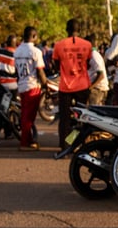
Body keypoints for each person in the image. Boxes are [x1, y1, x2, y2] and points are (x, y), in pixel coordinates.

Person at [53, 19, 91, 149]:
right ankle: (79, 144)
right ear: (79, 30)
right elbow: (89, 63)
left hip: (65, 86)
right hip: (82, 85)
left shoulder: (59, 45)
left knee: (64, 119)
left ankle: (64, 146)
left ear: (66, 29)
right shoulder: (87, 45)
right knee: (82, 117)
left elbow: (56, 64)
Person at [13, 26, 48, 151]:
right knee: (28, 117)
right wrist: (46, 84)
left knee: (25, 115)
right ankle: (25, 143)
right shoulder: (36, 52)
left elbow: (16, 71)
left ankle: (28, 140)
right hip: (32, 86)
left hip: (22, 85)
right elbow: (40, 71)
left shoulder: (17, 51)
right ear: (34, 36)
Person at [84, 34, 109, 106]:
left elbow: (101, 75)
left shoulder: (94, 55)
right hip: (96, 89)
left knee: (92, 114)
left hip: (97, 90)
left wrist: (89, 88)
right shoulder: (91, 54)